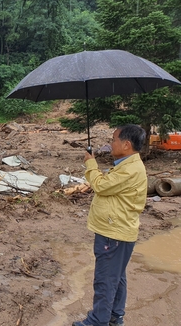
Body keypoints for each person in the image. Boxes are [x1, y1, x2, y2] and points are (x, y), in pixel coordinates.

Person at [73, 124, 147, 326]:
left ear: (126, 144)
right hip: (119, 230)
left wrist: (91, 164)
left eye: (113, 139)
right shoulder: (127, 164)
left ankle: (99, 321)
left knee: (105, 279)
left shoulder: (130, 169)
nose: (110, 143)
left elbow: (101, 186)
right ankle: (115, 316)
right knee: (116, 277)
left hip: (114, 232)